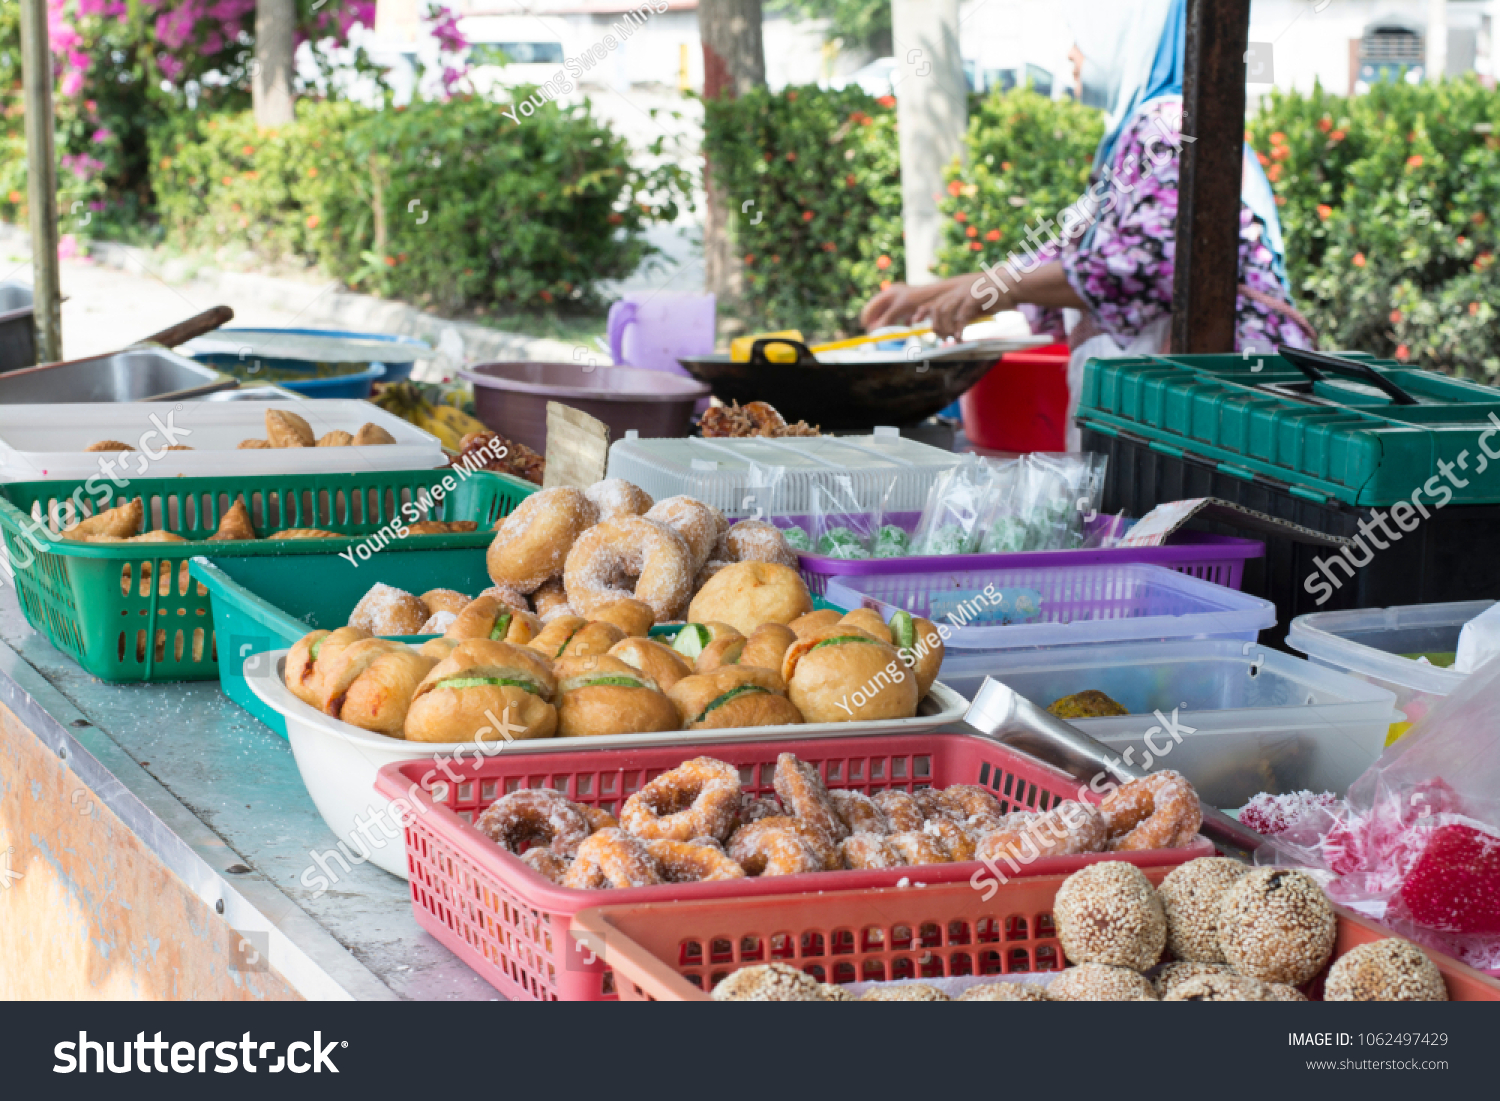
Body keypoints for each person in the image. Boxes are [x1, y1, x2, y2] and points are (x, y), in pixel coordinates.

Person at [859, 0, 1315, 450]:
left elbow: (1144, 263)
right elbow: (1057, 263)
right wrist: (924, 296)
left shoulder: (1169, 126)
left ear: (1126, 35)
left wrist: (1007, 288)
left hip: (1225, 413)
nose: (1071, 55)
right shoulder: (1134, 136)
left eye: (1082, 35)